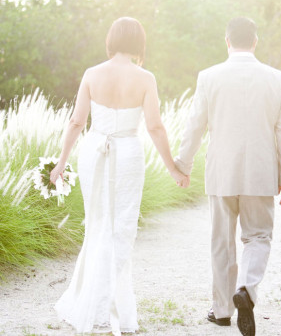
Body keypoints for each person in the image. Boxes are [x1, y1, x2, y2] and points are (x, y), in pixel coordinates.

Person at [49, 17, 188, 336]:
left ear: (111, 40)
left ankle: (95, 305)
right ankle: (110, 308)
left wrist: (61, 163)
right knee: (122, 228)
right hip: (127, 153)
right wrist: (172, 168)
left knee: (97, 224)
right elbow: (154, 127)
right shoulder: (145, 78)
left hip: (93, 152)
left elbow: (75, 122)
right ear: (139, 43)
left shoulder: (92, 74)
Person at [175, 16, 281, 336]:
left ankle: (222, 311)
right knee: (258, 236)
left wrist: (182, 165)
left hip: (222, 171)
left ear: (226, 41)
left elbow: (194, 126)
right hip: (260, 171)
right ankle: (246, 289)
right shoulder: (276, 78)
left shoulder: (209, 77)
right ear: (255, 41)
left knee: (221, 242)